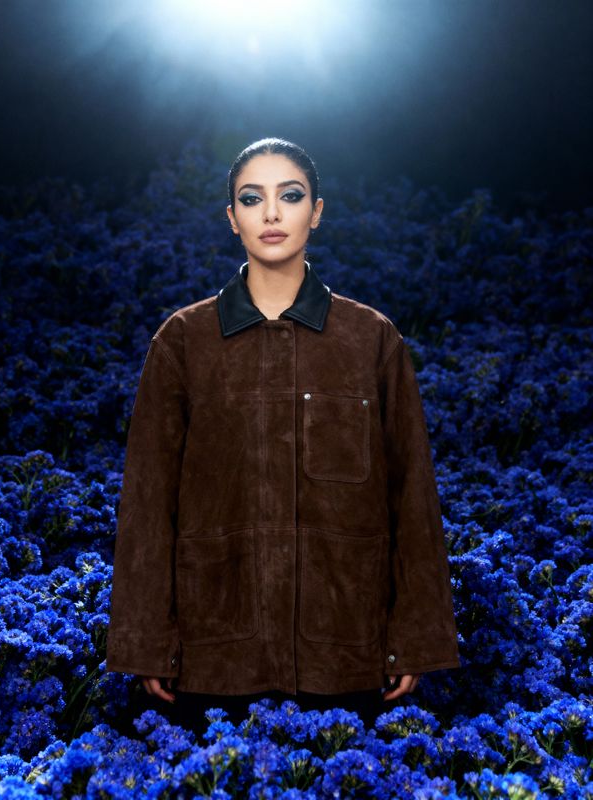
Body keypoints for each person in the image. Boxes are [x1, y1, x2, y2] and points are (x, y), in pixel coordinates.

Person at [105, 137, 461, 737]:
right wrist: (145, 642)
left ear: (316, 211)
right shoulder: (183, 341)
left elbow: (413, 497)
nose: (271, 214)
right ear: (232, 219)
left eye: (289, 196)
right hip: (213, 649)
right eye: (252, 198)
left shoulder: (370, 339)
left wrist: (415, 638)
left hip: (345, 647)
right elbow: (147, 501)